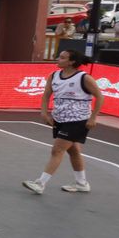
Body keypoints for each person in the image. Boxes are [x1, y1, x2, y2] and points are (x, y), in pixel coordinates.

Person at [23, 49, 104, 195]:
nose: (57, 59)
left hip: (78, 120)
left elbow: (100, 97)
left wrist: (93, 117)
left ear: (71, 61)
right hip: (60, 118)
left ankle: (40, 183)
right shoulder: (53, 76)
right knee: (73, 150)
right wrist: (44, 112)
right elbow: (46, 95)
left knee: (57, 150)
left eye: (62, 57)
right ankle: (81, 183)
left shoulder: (84, 78)